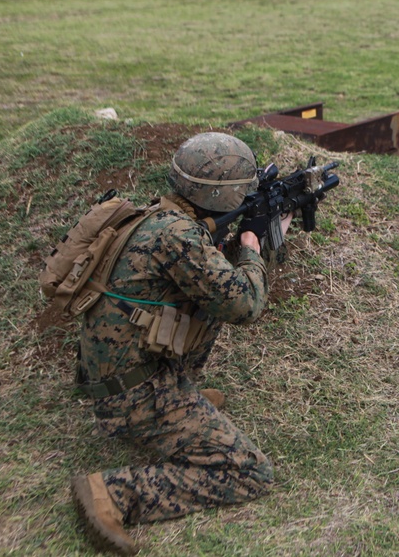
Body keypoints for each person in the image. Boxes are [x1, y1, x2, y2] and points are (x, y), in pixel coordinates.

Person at [69, 132, 291, 555]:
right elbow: (244, 305)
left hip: (116, 374)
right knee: (250, 471)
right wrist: (250, 247)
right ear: (221, 195)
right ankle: (111, 493)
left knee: (205, 300)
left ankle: (180, 395)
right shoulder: (181, 240)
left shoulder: (160, 217)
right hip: (132, 394)